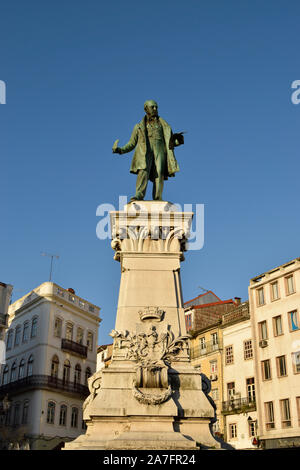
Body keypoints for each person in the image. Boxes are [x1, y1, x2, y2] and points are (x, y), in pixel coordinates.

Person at [112, 100, 184, 201]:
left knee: (159, 172)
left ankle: (158, 197)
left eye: (156, 107)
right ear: (146, 109)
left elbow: (170, 141)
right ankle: (139, 194)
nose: (155, 109)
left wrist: (177, 141)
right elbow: (132, 143)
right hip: (145, 151)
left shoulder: (164, 125)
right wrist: (120, 150)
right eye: (152, 107)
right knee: (143, 171)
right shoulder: (138, 127)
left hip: (160, 149)